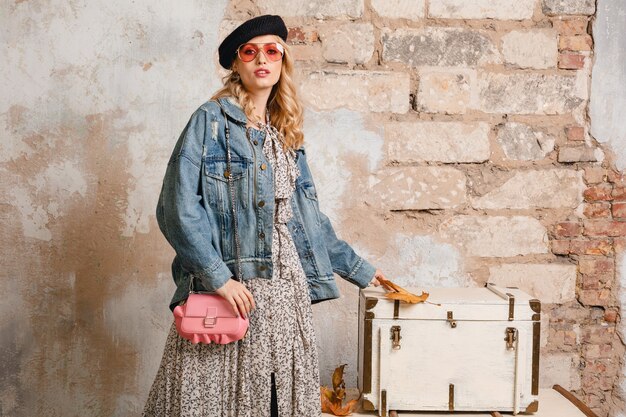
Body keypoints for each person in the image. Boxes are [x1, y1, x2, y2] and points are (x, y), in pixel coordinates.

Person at [142, 14, 387, 417]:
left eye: (272, 51)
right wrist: (217, 278)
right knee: (209, 395)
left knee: (276, 397)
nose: (262, 59)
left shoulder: (284, 130)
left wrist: (361, 270)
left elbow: (308, 220)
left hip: (286, 285)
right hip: (234, 282)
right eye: (250, 51)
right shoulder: (211, 119)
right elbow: (176, 208)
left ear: (282, 61)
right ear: (236, 64)